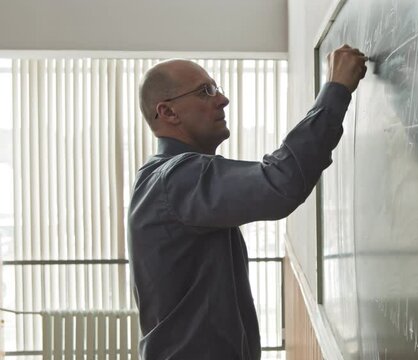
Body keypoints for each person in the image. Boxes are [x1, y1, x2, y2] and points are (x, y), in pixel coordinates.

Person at [128, 44, 367, 359]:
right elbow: (280, 182)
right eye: (205, 91)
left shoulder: (165, 178)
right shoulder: (177, 180)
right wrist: (336, 90)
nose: (222, 99)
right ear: (168, 112)